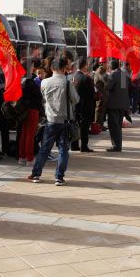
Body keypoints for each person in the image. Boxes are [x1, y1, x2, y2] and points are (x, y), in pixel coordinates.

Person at [28, 57, 79, 185]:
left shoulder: (44, 82)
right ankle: (59, 177)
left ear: (51, 68)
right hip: (65, 121)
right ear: (64, 69)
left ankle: (36, 174)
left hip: (50, 119)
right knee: (63, 150)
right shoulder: (68, 83)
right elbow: (76, 100)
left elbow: (43, 99)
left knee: (44, 149)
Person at [72, 58, 95, 152]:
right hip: (85, 105)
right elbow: (92, 93)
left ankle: (74, 145)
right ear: (85, 66)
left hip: (74, 105)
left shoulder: (73, 77)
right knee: (84, 127)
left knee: (75, 125)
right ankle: (84, 146)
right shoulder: (86, 78)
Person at [106, 60, 130, 152]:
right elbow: (123, 89)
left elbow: (108, 87)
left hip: (113, 104)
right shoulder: (123, 75)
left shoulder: (113, 75)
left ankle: (116, 146)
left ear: (112, 66)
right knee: (118, 126)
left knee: (113, 126)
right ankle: (118, 145)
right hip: (122, 104)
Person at [93, 64, 109, 129]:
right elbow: (105, 81)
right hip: (100, 94)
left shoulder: (102, 71)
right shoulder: (100, 71)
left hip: (103, 94)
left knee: (102, 111)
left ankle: (100, 125)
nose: (107, 65)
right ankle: (98, 125)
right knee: (99, 110)